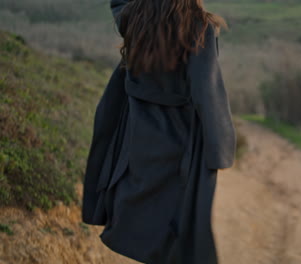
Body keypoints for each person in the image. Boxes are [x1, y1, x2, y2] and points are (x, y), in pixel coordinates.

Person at [81, 0, 237, 263]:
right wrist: (221, 146)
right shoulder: (198, 27)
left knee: (142, 213)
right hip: (178, 141)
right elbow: (206, 91)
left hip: (137, 136)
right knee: (174, 227)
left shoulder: (132, 17)